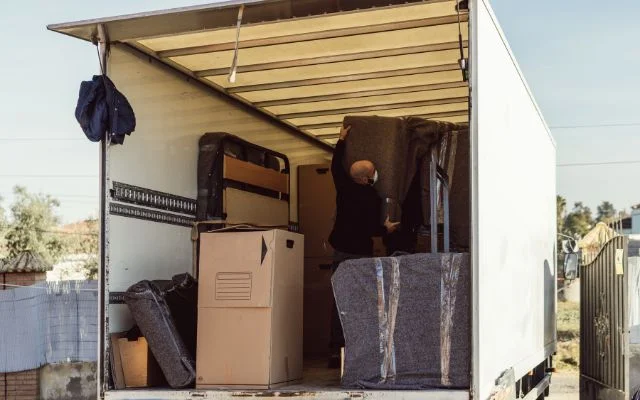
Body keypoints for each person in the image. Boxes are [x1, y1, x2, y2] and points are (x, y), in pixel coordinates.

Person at [327, 124, 400, 367]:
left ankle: (335, 350)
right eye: (373, 171)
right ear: (366, 178)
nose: (375, 174)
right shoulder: (373, 197)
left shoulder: (343, 187)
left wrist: (341, 141)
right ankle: (359, 351)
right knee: (361, 301)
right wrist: (386, 229)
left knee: (339, 300)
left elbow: (335, 167)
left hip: (340, 253)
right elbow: (372, 229)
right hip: (360, 256)